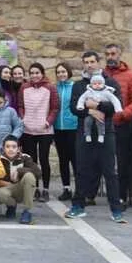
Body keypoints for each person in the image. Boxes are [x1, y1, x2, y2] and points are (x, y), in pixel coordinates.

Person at [103, 43, 132, 207]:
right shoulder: (102, 75)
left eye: (113, 54)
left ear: (120, 55)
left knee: (122, 161)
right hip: (104, 123)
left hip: (122, 124)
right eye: (107, 54)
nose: (110, 57)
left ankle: (121, 196)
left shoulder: (130, 76)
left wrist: (123, 114)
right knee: (101, 159)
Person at [16, 62, 58, 201]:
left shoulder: (50, 87)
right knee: (31, 161)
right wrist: (23, 118)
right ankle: (34, 189)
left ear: (42, 73)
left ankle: (45, 189)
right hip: (28, 130)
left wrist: (48, 122)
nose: (34, 75)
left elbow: (55, 108)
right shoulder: (24, 87)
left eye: (37, 73)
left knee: (44, 160)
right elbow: (20, 105)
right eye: (32, 73)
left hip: (44, 130)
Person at [0, 135, 40, 224]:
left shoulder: (25, 157)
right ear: (3, 148)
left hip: (21, 189)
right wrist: (4, 183)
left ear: (19, 148)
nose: (11, 149)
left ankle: (27, 211)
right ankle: (11, 205)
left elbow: (38, 172)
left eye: (14, 147)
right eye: (8, 147)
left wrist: (19, 170)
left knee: (29, 176)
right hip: (6, 188)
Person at [53, 62, 78, 201]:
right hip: (58, 128)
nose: (61, 74)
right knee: (63, 160)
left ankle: (79, 189)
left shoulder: (75, 87)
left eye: (63, 71)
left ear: (68, 72)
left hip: (73, 128)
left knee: (75, 159)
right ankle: (66, 188)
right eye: (58, 72)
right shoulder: (54, 88)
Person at [76, 73, 122, 143]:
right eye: (94, 84)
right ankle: (87, 134)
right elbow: (82, 98)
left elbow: (115, 100)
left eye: (99, 83)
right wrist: (80, 106)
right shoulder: (88, 92)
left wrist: (118, 109)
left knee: (100, 122)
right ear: (91, 84)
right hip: (90, 111)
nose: (97, 85)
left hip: (101, 111)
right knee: (87, 121)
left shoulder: (107, 92)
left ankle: (101, 134)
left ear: (103, 84)